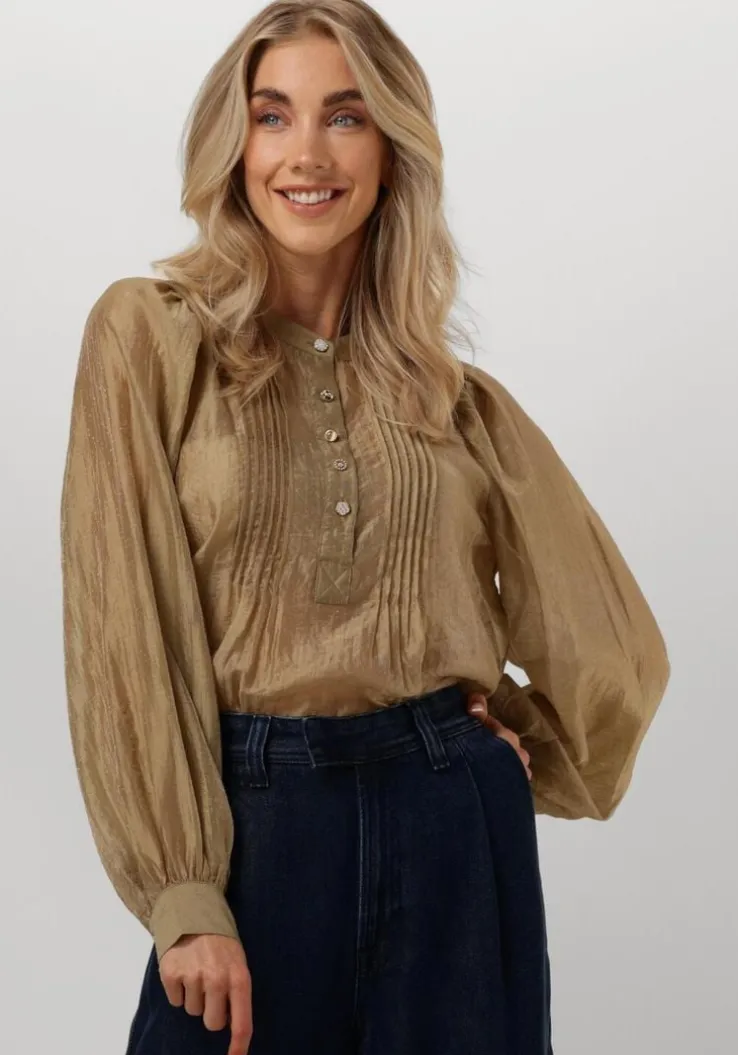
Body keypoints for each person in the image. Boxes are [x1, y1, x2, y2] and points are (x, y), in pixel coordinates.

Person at [59, 2, 670, 1053]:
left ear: (392, 154)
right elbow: (123, 624)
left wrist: (519, 737)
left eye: (344, 117)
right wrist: (183, 891)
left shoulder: (452, 399)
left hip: (450, 828)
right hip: (252, 828)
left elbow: (614, 641)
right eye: (272, 116)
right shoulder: (150, 337)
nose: (305, 153)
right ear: (234, 145)